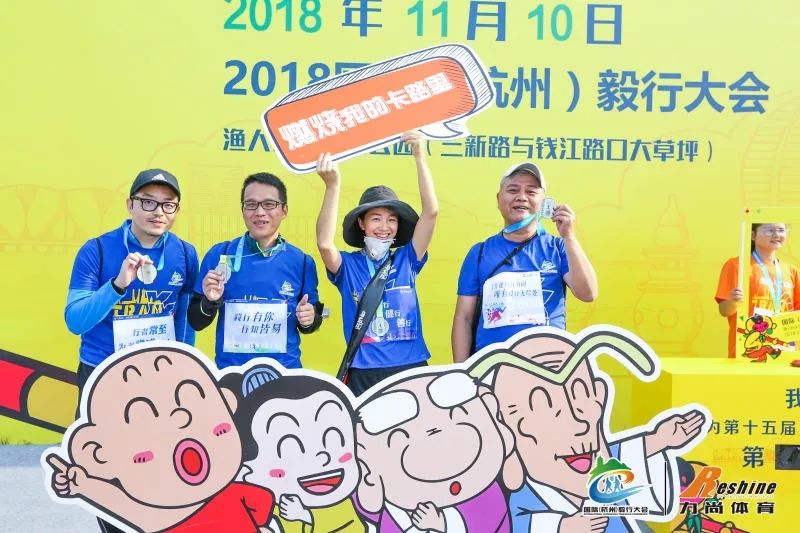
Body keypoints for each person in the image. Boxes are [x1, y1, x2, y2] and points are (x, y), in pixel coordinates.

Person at [64, 168, 198, 532]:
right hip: (101, 377)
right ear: (130, 204)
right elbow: (75, 320)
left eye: (168, 205)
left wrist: (181, 373)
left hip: (157, 382)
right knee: (106, 475)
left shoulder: (186, 255)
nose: (158, 212)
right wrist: (118, 285)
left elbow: (184, 323)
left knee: (157, 472)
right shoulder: (97, 250)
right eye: (148, 202)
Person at [46, 344, 276, 532]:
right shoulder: (160, 517)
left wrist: (85, 486)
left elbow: (269, 508)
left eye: (190, 399)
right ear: (97, 453)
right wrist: (86, 486)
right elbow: (127, 508)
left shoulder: (233, 492)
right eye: (143, 415)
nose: (180, 417)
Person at [315, 131, 438, 395]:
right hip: (364, 371)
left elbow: (431, 212)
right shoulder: (348, 266)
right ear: (361, 223)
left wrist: (419, 156)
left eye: (392, 220)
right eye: (376, 219)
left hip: (410, 367)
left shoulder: (407, 258)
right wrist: (332, 186)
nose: (384, 227)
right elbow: (325, 244)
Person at [451, 162, 597, 362]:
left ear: (543, 201)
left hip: (549, 365)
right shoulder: (479, 253)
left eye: (531, 191)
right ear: (498, 199)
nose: (521, 197)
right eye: (513, 190)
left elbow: (588, 293)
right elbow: (464, 318)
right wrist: (462, 372)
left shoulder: (558, 247)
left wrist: (569, 237)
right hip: (492, 366)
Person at [188, 172, 322, 369]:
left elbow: (312, 320)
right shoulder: (220, 254)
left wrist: (309, 318)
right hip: (232, 374)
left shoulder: (302, 262)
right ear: (243, 210)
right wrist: (209, 302)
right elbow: (196, 322)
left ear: (284, 210)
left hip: (285, 374)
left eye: (269, 204)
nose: (260, 212)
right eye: (251, 204)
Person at [715, 223, 800, 358]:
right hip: (748, 350)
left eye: (781, 230)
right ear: (753, 235)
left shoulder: (791, 270)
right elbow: (724, 310)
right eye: (770, 230)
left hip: (785, 351)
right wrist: (733, 302)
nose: (777, 235)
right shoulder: (737, 265)